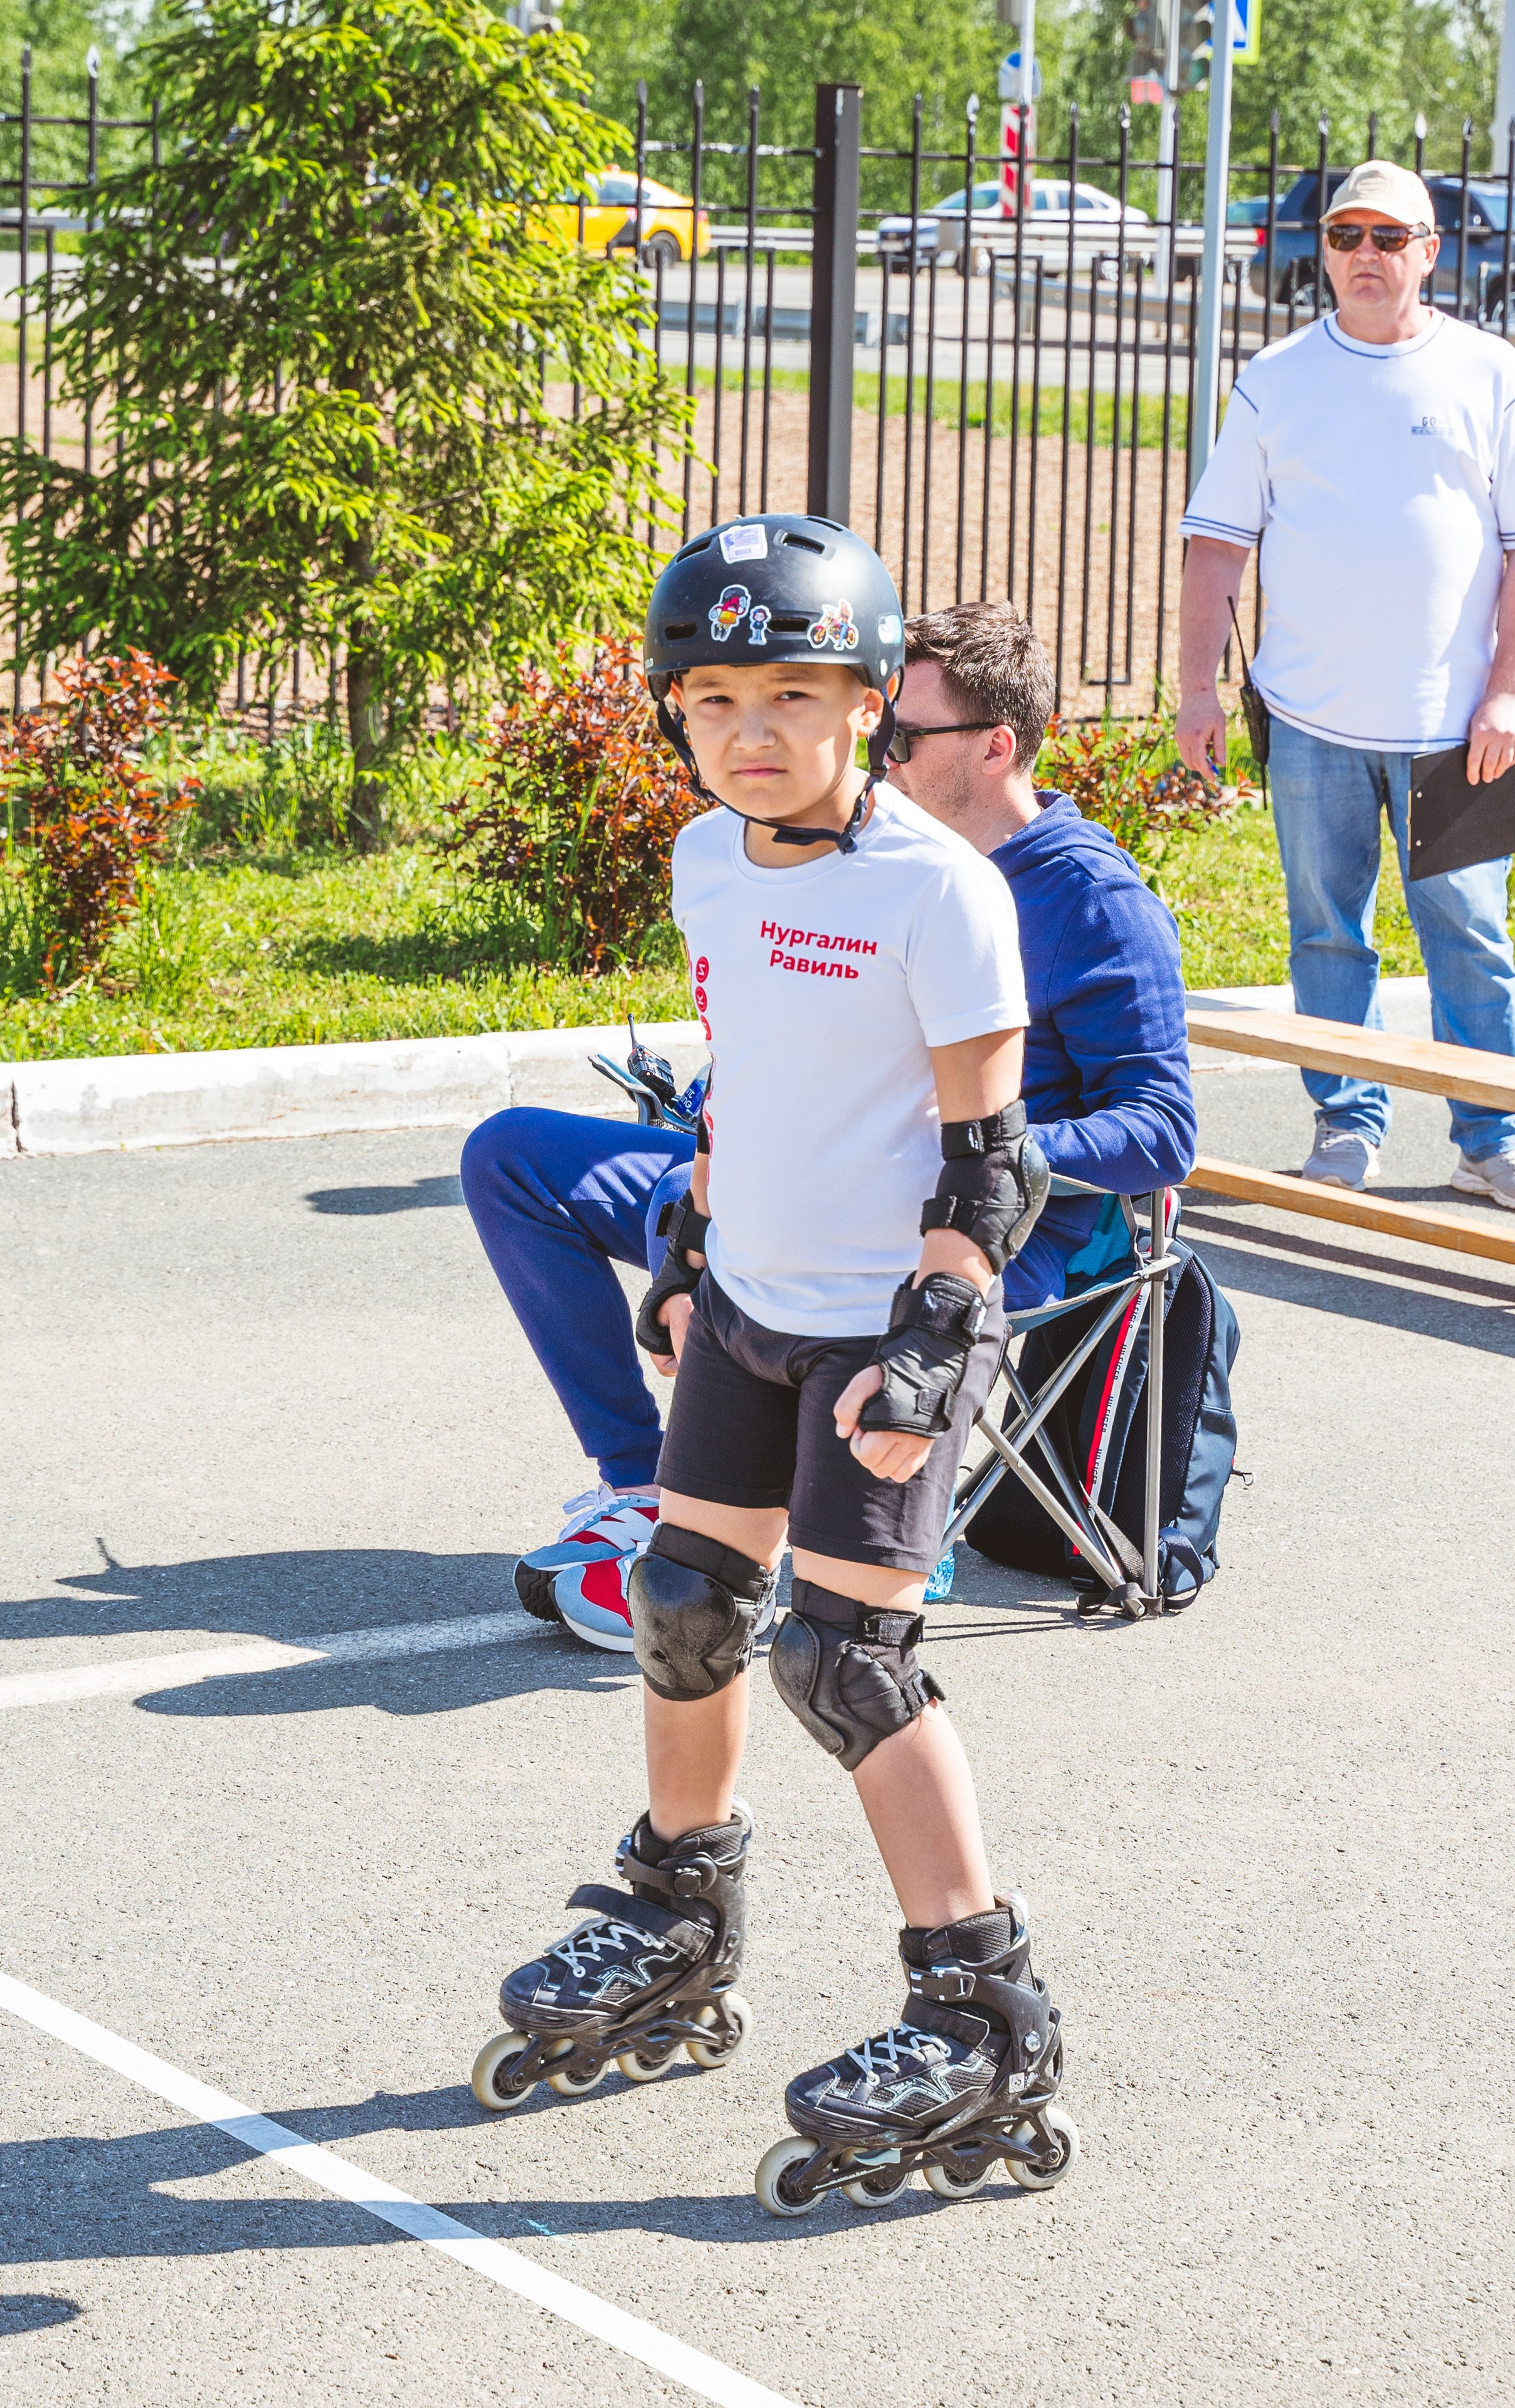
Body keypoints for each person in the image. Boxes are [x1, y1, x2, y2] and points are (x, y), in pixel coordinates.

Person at [468, 515, 1079, 2214]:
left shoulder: (939, 893)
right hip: (746, 1305)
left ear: (870, 705)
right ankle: (676, 1910)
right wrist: (683, 1249)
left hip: (884, 1330)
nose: (751, 731)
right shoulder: (709, 861)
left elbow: (991, 1164)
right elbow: (744, 1079)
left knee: (847, 1660)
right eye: (715, 697)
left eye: (793, 695)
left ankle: (982, 2007)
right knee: (681, 1603)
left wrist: (933, 1345)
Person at [460, 603, 1196, 1646]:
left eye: (903, 733)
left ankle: (754, 1544)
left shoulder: (1090, 900)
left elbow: (1162, 1131)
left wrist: (961, 1155)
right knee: (514, 1155)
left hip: (955, 1235)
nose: (873, 746)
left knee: (848, 1680)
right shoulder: (828, 847)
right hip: (781, 1175)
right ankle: (641, 1489)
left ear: (996, 747)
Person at [1176, 157, 1515, 1208]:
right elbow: (1216, 547)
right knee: (1324, 934)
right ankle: (1345, 1130)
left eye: (1388, 238)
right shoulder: (1276, 380)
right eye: (1345, 235)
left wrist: (1506, 692)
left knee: (1473, 935)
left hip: (1460, 732)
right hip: (1312, 722)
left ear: (1430, 253)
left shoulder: (1492, 375)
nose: (1363, 255)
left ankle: (1491, 1137)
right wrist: (1198, 690)